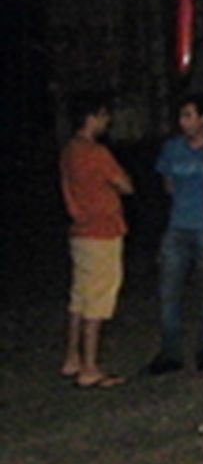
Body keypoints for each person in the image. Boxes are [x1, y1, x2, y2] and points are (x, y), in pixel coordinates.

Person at [59, 92, 134, 389]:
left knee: (79, 296)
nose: (107, 121)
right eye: (104, 116)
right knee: (98, 299)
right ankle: (89, 367)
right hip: (102, 231)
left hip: (79, 230)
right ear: (92, 118)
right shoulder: (95, 153)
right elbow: (125, 185)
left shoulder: (69, 150)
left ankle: (72, 357)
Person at [146, 94, 203, 375]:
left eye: (189, 115)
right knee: (169, 292)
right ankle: (170, 352)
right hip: (178, 226)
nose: (184, 122)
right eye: (182, 116)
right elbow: (168, 184)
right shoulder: (173, 149)